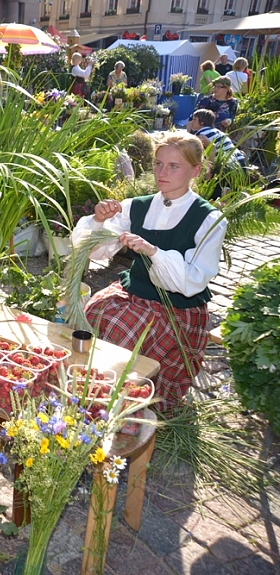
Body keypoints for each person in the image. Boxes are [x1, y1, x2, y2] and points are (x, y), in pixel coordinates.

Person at [72, 132, 227, 411]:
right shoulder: (137, 206)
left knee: (126, 332)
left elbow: (192, 281)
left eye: (173, 166)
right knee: (91, 315)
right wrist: (97, 219)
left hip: (177, 308)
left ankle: (119, 402)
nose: (161, 172)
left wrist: (154, 251)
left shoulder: (209, 219)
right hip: (133, 293)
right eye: (157, 164)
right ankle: (89, 393)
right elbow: (94, 250)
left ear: (195, 170)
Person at [189, 109, 247, 198]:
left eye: (194, 119)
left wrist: (210, 168)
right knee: (230, 192)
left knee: (214, 192)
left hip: (227, 165)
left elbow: (212, 147)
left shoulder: (201, 135)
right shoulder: (215, 131)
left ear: (202, 122)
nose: (192, 122)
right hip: (239, 162)